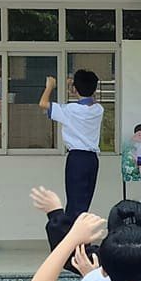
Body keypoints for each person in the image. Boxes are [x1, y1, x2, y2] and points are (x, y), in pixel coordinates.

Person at [40, 69, 104, 231]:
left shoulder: (70, 110)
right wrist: (75, 86)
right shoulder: (98, 109)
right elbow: (90, 98)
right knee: (84, 203)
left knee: (74, 202)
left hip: (76, 159)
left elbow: (43, 104)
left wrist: (50, 86)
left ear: (75, 89)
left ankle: (71, 237)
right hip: (92, 160)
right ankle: (81, 237)